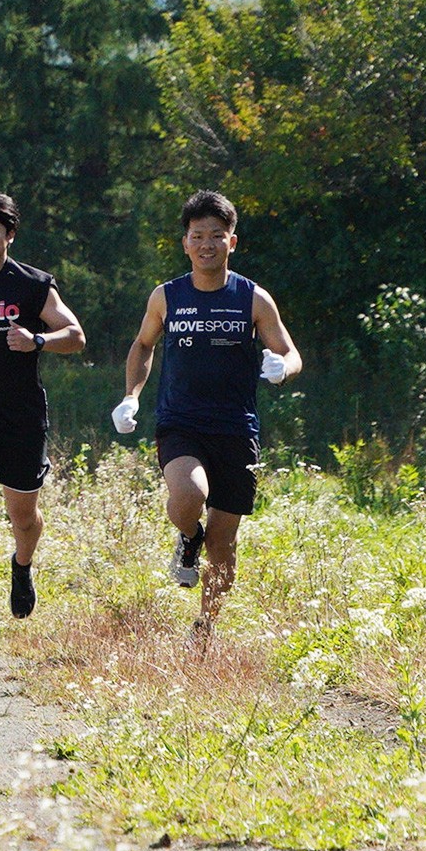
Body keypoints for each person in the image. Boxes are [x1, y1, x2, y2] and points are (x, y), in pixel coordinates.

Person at [115, 190, 301, 641]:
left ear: (231, 242)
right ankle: (187, 536)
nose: (207, 245)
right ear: (185, 243)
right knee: (189, 494)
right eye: (198, 236)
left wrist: (282, 368)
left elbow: (289, 351)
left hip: (237, 428)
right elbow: (143, 345)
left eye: (217, 236)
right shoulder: (167, 296)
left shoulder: (254, 298)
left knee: (224, 543)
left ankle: (205, 627)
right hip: (180, 422)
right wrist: (131, 396)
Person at [0, 192, 87, 638]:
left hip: (22, 413)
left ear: (9, 234)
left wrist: (37, 340)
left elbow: (75, 334)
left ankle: (22, 564)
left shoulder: (30, 284)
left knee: (23, 515)